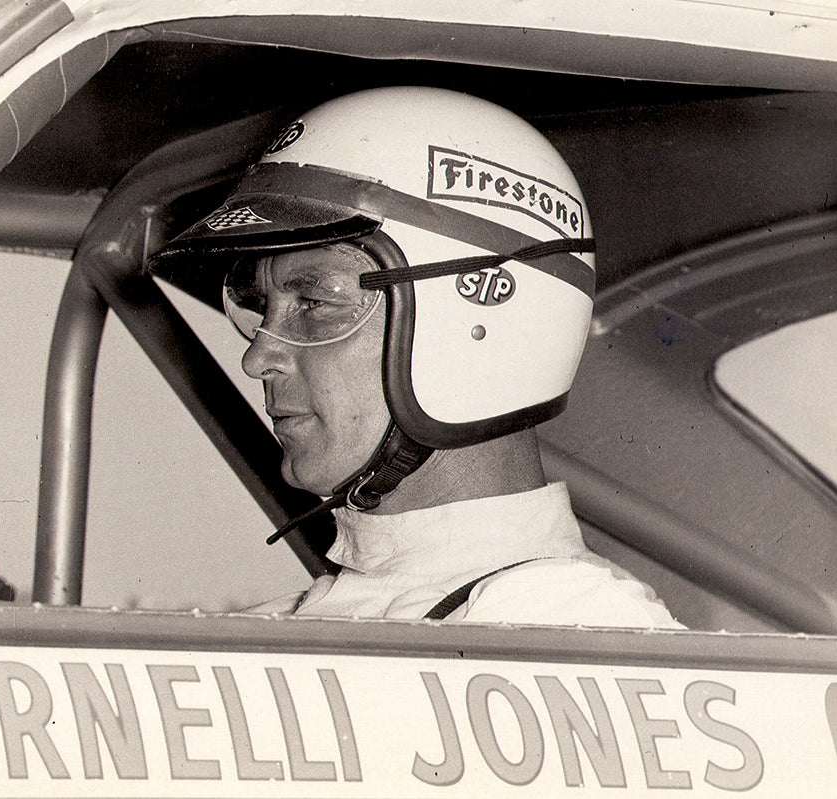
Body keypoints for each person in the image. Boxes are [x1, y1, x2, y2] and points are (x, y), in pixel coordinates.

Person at [155, 86, 681, 627]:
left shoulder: (567, 619)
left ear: (477, 320)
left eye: (314, 303)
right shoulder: (290, 621)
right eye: (262, 308)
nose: (257, 358)